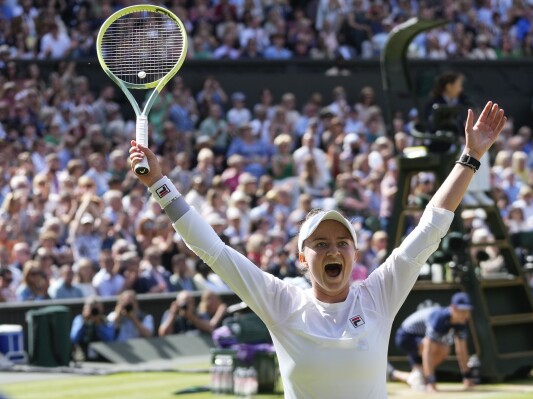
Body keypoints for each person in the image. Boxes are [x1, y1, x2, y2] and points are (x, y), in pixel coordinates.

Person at [129, 101, 506, 398]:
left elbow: (431, 227)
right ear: (302, 258)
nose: (333, 251)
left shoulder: (379, 294)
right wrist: (159, 183)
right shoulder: (281, 301)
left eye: (343, 243)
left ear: (355, 256)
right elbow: (213, 250)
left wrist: (470, 158)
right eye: (320, 244)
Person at [388, 292, 476, 392]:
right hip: (405, 337)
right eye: (462, 310)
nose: (465, 315)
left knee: (444, 349)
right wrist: (431, 381)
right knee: (439, 348)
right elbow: (428, 350)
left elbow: (461, 350)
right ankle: (422, 377)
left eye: (467, 311)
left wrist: (467, 377)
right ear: (453, 308)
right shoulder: (440, 318)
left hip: (420, 338)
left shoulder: (461, 322)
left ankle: (397, 374)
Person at [70, 296, 114, 360]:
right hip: (83, 358)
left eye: (96, 309)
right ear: (84, 309)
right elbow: (74, 338)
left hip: (103, 358)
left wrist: (98, 324)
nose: (94, 311)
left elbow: (110, 340)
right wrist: (84, 322)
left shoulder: (106, 321)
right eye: (92, 308)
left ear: (102, 309)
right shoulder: (80, 319)